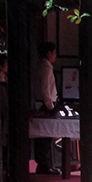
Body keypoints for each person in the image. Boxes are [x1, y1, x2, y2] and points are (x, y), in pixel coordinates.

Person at [32, 42, 59, 174]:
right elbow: (45, 90)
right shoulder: (46, 68)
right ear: (49, 53)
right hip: (45, 104)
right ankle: (44, 164)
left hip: (39, 103)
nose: (55, 55)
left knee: (42, 135)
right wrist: (50, 106)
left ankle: (43, 163)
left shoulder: (39, 66)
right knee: (46, 135)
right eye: (53, 52)